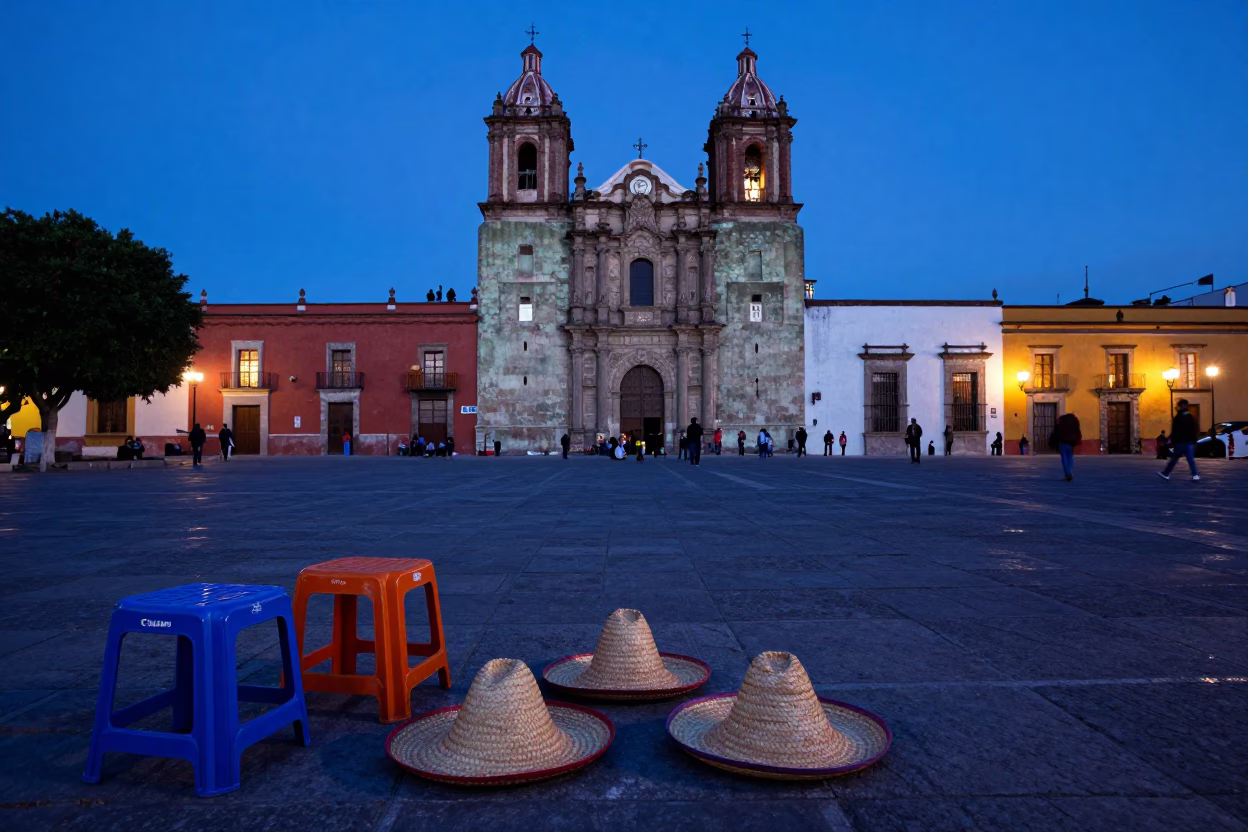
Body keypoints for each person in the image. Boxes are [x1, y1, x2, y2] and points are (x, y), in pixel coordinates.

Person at [1159, 399, 1200, 482]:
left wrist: (1170, 439)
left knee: (1174, 459)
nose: (1177, 408)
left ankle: (1166, 473)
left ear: (1181, 406)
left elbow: (1175, 430)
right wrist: (1194, 441)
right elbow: (1195, 429)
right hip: (1189, 441)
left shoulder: (1178, 417)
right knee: (1190, 459)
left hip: (1181, 442)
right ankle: (1195, 475)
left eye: (1178, 406)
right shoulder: (1191, 417)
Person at [1053, 411, 1082, 481]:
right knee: (1070, 458)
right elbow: (1077, 431)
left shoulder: (1061, 421)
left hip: (1062, 442)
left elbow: (1056, 431)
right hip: (1070, 442)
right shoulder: (1074, 421)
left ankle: (1067, 473)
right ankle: (1070, 472)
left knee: (1064, 457)